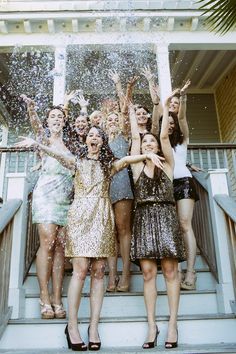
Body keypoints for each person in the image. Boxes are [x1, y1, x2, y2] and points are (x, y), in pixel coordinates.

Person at [16, 126, 164, 351]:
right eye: (91, 135)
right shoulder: (75, 161)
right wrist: (37, 144)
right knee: (80, 270)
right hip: (80, 217)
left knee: (98, 271)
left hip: (102, 216)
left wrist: (146, 155)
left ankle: (93, 327)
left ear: (103, 142)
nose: (94, 138)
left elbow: (125, 160)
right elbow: (56, 154)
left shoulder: (108, 166)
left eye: (98, 135)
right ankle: (72, 326)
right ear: (86, 140)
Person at [129, 93, 186, 349]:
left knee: (171, 271)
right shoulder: (137, 166)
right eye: (146, 142)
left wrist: (164, 105)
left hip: (166, 216)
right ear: (141, 147)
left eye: (152, 141)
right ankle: (152, 325)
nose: (150, 143)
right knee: (149, 273)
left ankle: (173, 324)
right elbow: (133, 137)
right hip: (143, 218)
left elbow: (164, 135)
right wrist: (130, 111)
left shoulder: (168, 164)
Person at [20, 95, 74, 320]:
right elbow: (35, 124)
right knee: (48, 241)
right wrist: (31, 108)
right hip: (46, 196)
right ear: (47, 120)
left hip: (66, 199)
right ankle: (44, 297)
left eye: (60, 117)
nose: (56, 119)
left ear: (64, 121)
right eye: (52, 116)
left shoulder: (71, 143)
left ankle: (57, 298)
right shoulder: (43, 138)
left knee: (61, 246)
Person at [168, 80, 199, 290]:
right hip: (168, 185)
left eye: (176, 104)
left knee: (185, 224)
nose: (172, 122)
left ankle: (190, 271)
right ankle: (176, 270)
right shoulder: (160, 139)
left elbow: (181, 117)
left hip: (185, 182)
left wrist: (183, 96)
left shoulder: (183, 137)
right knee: (174, 227)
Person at [105, 110, 134, 292]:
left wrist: (122, 85)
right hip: (103, 183)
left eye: (116, 119)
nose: (113, 121)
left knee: (123, 228)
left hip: (122, 180)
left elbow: (125, 112)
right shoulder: (100, 138)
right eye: (110, 119)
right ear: (105, 122)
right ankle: (112, 274)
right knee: (109, 231)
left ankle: (125, 274)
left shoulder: (124, 136)